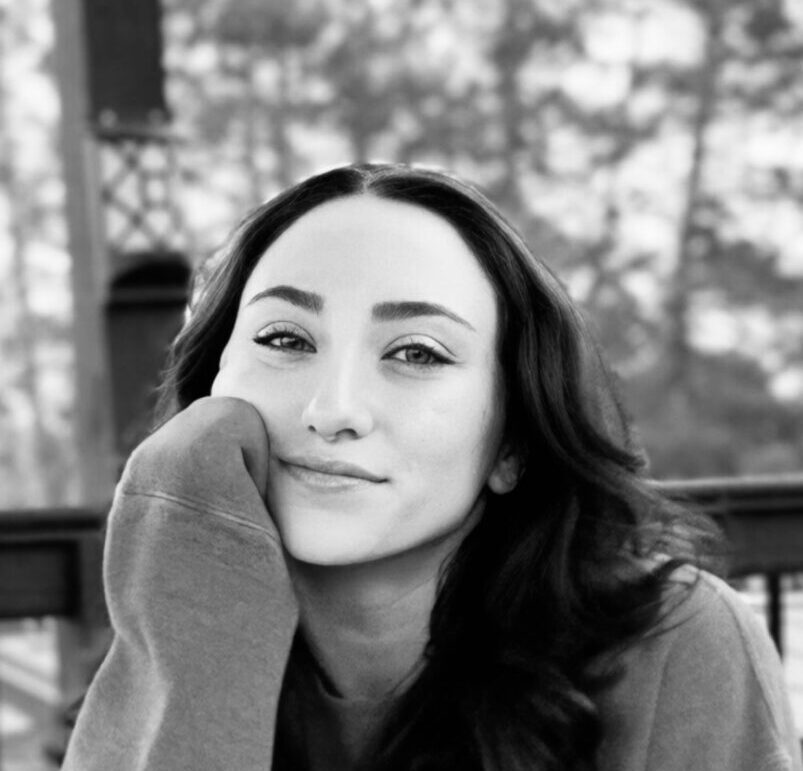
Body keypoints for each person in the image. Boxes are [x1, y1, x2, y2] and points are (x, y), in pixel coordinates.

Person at [63, 163, 801, 771]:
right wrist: (193, 590)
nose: (333, 406)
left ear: (511, 444)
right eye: (285, 338)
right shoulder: (170, 636)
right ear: (211, 388)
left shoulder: (672, 648)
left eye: (417, 352)